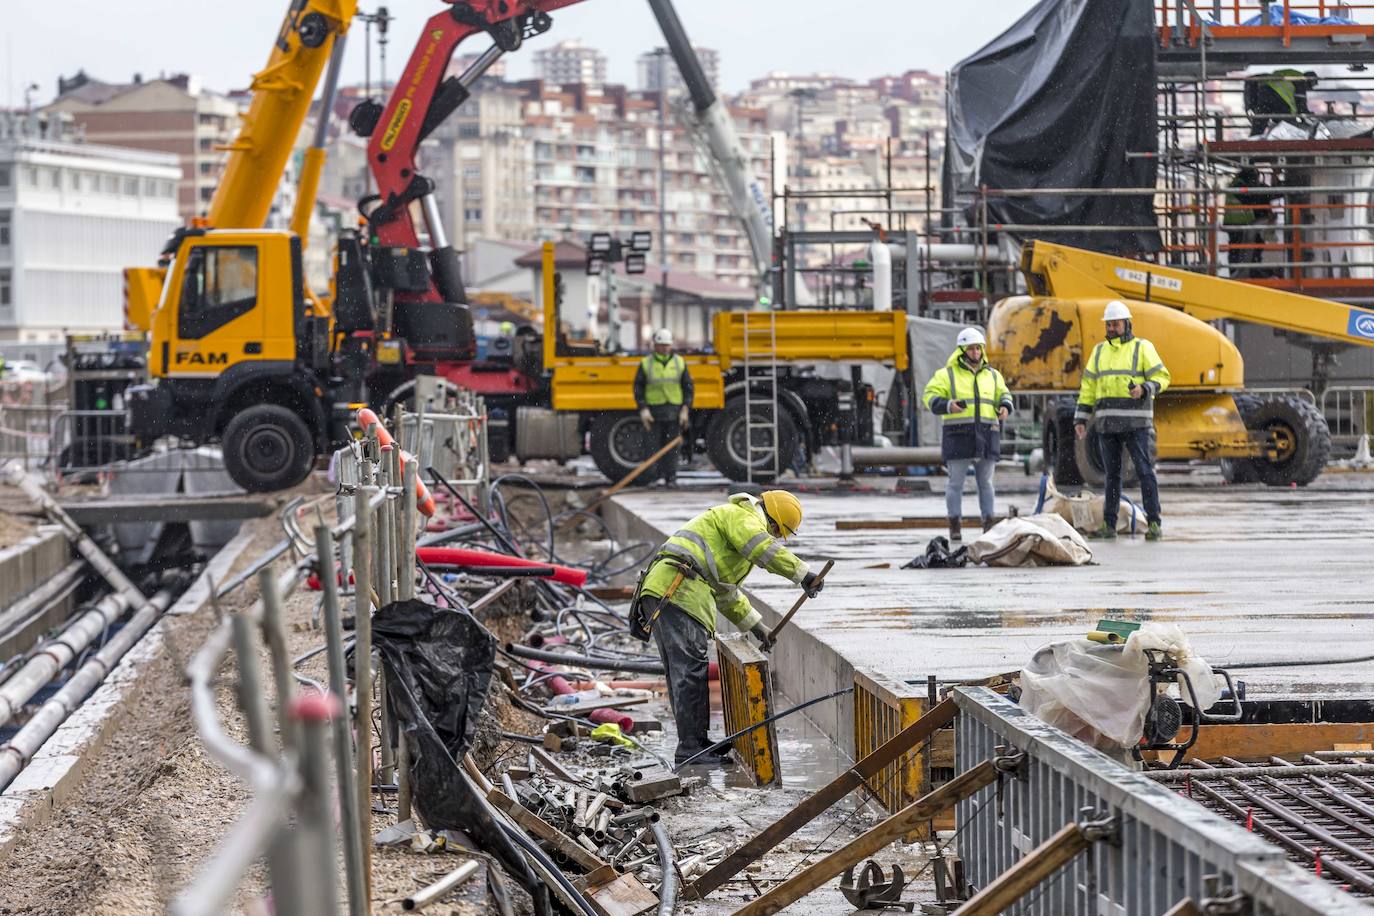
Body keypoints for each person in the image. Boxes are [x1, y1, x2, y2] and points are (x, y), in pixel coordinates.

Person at [629, 490, 823, 765]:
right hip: (677, 590)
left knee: (685, 670)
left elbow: (726, 593)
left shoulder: (731, 533)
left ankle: (696, 742)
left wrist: (758, 627)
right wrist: (803, 574)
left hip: (673, 589)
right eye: (778, 534)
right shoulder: (741, 517)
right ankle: (691, 748)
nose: (776, 539)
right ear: (773, 522)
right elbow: (762, 550)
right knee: (689, 670)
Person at [1073, 301, 1171, 541]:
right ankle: (1109, 524)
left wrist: (1145, 388)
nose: (1112, 328)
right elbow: (1088, 387)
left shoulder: (1142, 348)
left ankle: (1154, 522)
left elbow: (1162, 376)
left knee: (1145, 471)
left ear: (1127, 324)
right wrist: (1081, 417)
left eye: (1116, 324)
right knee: (1112, 476)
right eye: (1109, 324)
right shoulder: (1099, 352)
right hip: (1108, 424)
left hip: (1136, 425)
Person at [922, 327, 1013, 542]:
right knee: (955, 484)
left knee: (986, 484)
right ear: (962, 351)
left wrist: (1005, 406)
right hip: (958, 436)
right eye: (971, 348)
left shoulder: (992, 375)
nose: (975, 352)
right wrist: (947, 405)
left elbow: (1004, 394)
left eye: (978, 348)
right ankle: (955, 525)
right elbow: (929, 396)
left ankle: (988, 525)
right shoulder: (947, 375)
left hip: (987, 435)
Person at [633, 329, 694, 486]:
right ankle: (653, 478)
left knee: (672, 447)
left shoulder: (679, 362)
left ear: (671, 345)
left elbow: (688, 387)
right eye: (661, 345)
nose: (664, 348)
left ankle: (671, 478)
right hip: (653, 412)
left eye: (666, 345)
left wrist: (685, 409)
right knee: (652, 446)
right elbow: (638, 387)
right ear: (655, 346)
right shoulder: (647, 363)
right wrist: (643, 409)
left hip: (674, 411)